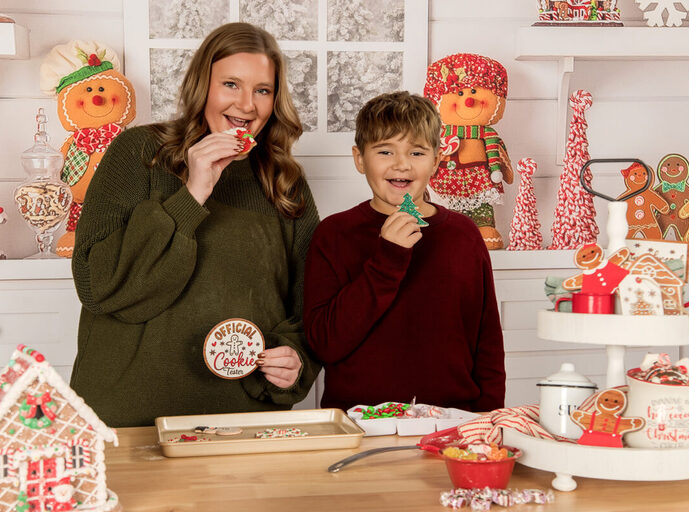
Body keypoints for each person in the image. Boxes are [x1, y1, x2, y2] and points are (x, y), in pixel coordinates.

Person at [69, 22, 320, 427]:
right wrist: (193, 191)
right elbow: (98, 286)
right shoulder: (139, 152)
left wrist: (296, 358)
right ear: (202, 85)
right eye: (231, 84)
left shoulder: (285, 181)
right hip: (127, 420)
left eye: (263, 90)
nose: (247, 105)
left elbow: (309, 305)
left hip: (243, 422)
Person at [303, 91, 505, 412]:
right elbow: (324, 343)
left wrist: (488, 419)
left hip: (453, 420)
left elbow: (487, 343)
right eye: (385, 151)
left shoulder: (464, 234)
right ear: (359, 159)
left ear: (436, 160)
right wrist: (388, 258)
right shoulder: (334, 234)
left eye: (417, 152)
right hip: (359, 421)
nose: (401, 164)